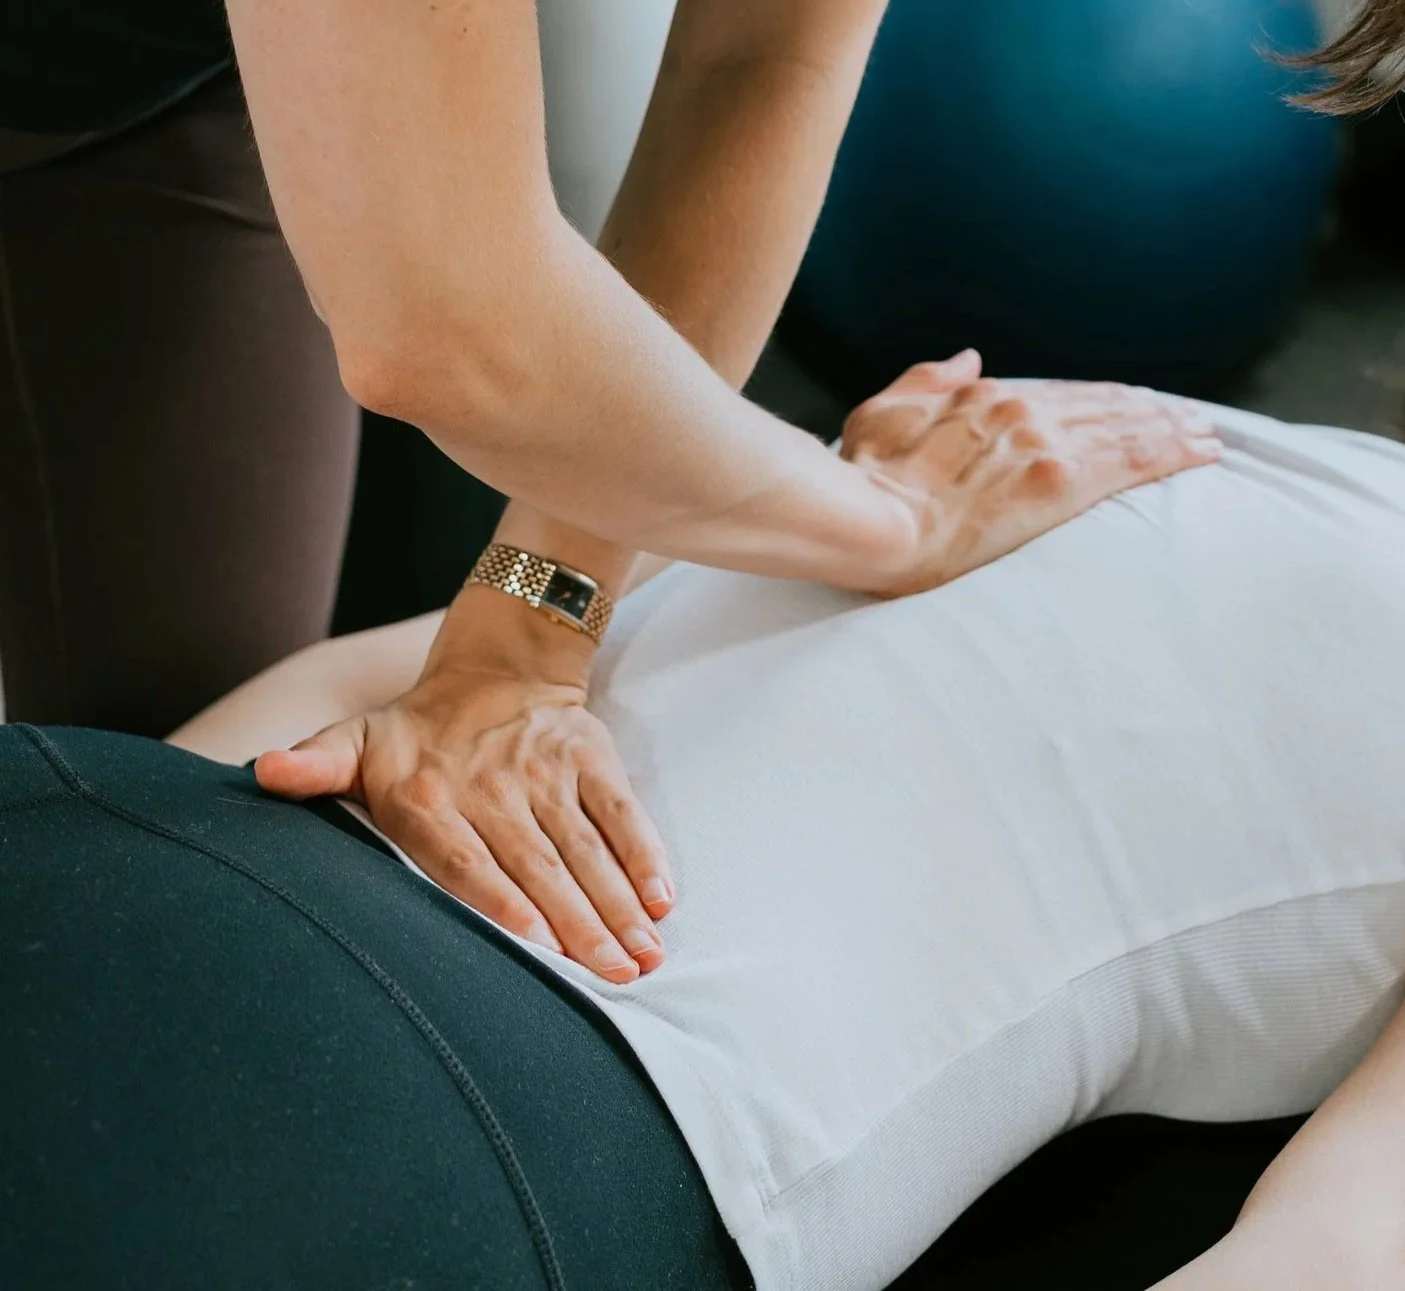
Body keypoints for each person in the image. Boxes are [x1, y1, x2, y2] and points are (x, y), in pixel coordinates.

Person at [1, 0, 1397, 957]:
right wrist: (881, 523)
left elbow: (764, 54)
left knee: (149, 845)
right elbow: (443, 314)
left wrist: (528, 639)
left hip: (159, 70)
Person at [5, 382, 1405, 1290]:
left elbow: (358, 689)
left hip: (133, 843)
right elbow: (1329, 1260)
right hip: (478, 1133)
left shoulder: (1101, 436)